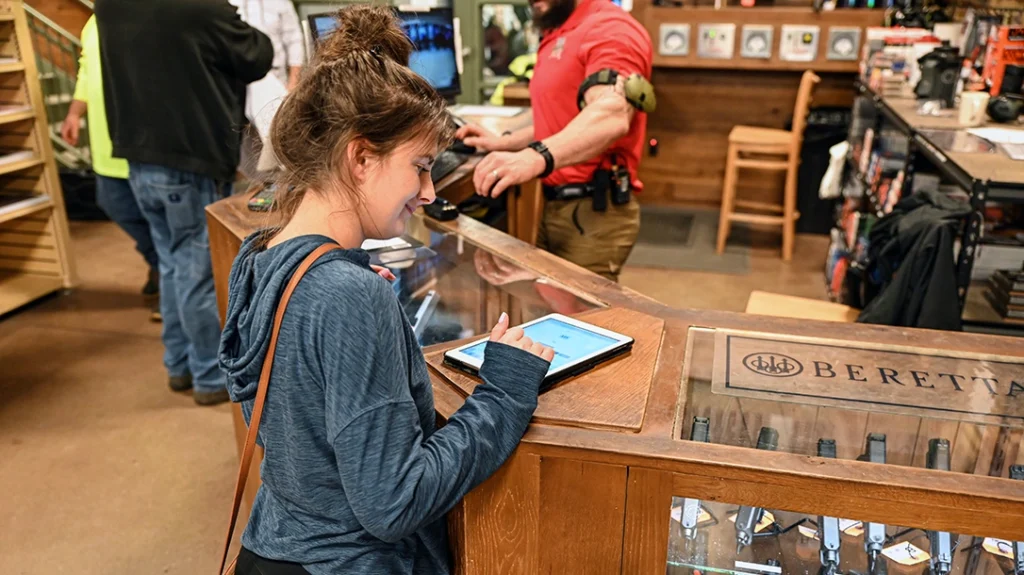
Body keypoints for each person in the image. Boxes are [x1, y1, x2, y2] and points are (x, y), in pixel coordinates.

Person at [217, 7, 555, 574]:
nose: (428, 191)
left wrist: (344, 298)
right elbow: (394, 502)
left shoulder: (260, 258)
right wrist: (503, 393)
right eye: (420, 167)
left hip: (273, 546)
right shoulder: (347, 296)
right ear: (361, 156)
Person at [94, 0, 273, 405]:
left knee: (173, 264)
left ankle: (180, 365)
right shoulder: (200, 8)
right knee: (197, 272)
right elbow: (258, 53)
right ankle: (209, 377)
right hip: (189, 163)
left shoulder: (109, 6)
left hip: (140, 160)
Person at [456, 0, 653, 282]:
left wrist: (535, 157)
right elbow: (561, 118)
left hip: (594, 210)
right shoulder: (558, 30)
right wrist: (506, 142)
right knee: (549, 304)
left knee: (581, 319)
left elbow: (612, 113)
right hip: (556, 205)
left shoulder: (610, 28)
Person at [60, 15, 160, 320]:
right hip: (106, 146)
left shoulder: (146, 15)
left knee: (160, 221)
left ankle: (171, 288)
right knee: (115, 204)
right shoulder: (94, 21)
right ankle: (160, 264)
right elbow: (87, 70)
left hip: (142, 144)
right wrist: (74, 113)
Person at [229, 0, 305, 90]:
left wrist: (293, 84)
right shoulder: (227, 4)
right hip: (239, 80)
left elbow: (294, 40)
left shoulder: (281, 2)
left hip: (277, 77)